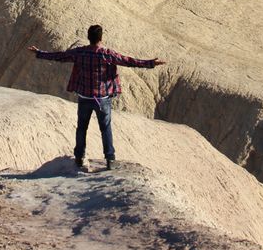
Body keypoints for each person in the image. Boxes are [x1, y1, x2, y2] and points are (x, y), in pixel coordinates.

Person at [29, 25, 165, 171]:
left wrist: (40, 53)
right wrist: (150, 63)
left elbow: (60, 56)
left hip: (84, 97)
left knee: (82, 128)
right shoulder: (107, 54)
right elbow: (128, 61)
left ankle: (79, 157)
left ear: (88, 37)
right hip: (102, 98)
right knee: (105, 128)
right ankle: (110, 160)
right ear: (101, 38)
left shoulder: (79, 52)